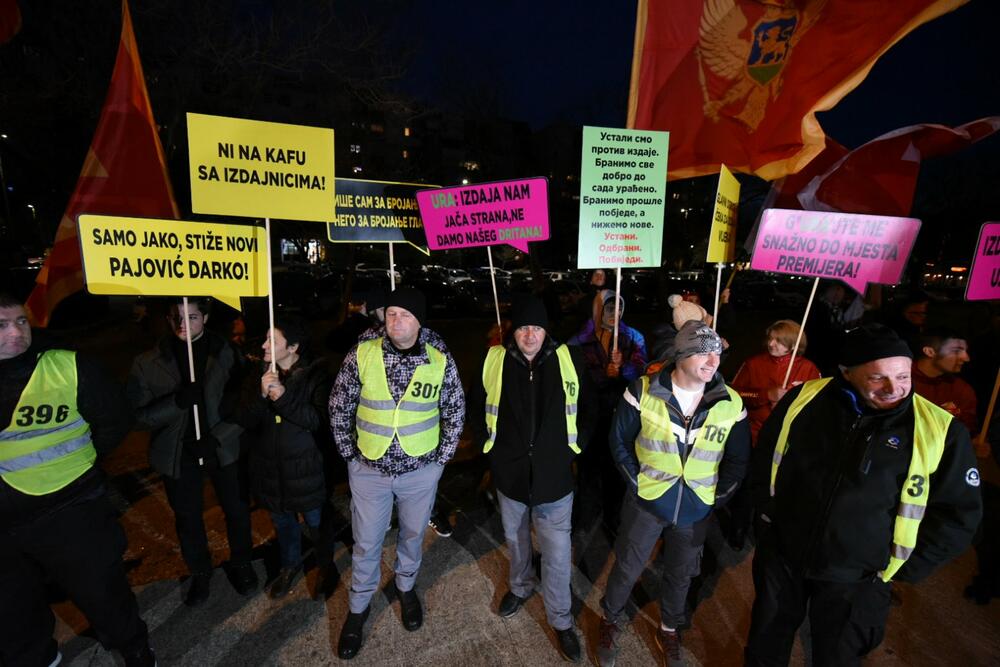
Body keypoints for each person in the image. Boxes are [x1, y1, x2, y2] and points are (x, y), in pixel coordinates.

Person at [745, 324, 983, 666]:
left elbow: (960, 515)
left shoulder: (942, 431)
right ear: (846, 372)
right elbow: (767, 455)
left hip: (860, 580)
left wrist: (901, 568)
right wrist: (767, 518)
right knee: (764, 650)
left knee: (837, 658)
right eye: (878, 378)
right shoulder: (805, 398)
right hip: (784, 559)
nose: (894, 388)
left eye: (903, 376)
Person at [0, 293, 155, 666]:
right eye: (2, 325)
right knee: (12, 609)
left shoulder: (67, 366)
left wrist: (81, 461)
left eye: (21, 321)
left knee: (104, 594)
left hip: (71, 510)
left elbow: (116, 421)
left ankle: (136, 653)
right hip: (4, 528)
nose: (16, 332)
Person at [597, 321, 750, 666]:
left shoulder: (730, 402)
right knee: (627, 566)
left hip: (696, 510)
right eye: (702, 352)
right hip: (647, 503)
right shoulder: (643, 390)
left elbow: (739, 460)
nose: (713, 361)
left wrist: (716, 497)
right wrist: (637, 485)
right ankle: (610, 618)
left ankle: (668, 628)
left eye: (717, 353)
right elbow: (618, 441)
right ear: (680, 355)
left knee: (681, 574)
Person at [329, 288, 465, 660]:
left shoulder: (439, 358)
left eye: (405, 315)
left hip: (419, 472)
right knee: (367, 542)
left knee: (411, 534)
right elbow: (339, 403)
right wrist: (349, 455)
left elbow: (455, 410)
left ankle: (406, 588)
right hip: (369, 470)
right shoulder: (364, 352)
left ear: (419, 321)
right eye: (391, 314)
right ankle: (358, 609)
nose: (396, 322)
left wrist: (440, 461)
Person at [468, 295, 597, 663]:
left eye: (536, 328)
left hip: (554, 478)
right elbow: (477, 406)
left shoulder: (569, 360)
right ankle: (521, 587)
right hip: (510, 476)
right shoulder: (493, 359)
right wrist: (487, 446)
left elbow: (589, 408)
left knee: (556, 553)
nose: (529, 335)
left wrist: (577, 446)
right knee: (517, 540)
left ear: (546, 331)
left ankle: (559, 619)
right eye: (523, 327)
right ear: (513, 331)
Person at [127, 297, 256, 607]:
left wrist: (219, 437)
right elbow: (137, 417)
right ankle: (200, 572)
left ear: (206, 317)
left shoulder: (227, 353)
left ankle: (241, 563)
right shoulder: (148, 361)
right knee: (188, 518)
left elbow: (246, 406)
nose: (183, 324)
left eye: (192, 316)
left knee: (237, 510)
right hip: (177, 453)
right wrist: (176, 403)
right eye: (176, 317)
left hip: (221, 447)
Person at [239, 315, 333, 600]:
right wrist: (260, 395)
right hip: (270, 470)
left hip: (306, 469)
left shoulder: (317, 375)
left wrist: (282, 397)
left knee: (317, 523)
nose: (265, 345)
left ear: (293, 347)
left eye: (273, 340)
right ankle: (289, 565)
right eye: (266, 338)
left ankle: (326, 569)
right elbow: (244, 419)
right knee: (283, 523)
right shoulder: (259, 373)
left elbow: (317, 420)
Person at [727, 320, 820, 550]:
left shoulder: (808, 368)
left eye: (779, 340)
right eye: (770, 338)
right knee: (747, 485)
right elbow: (734, 392)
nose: (772, 344)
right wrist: (766, 394)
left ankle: (767, 530)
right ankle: (738, 528)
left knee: (776, 486)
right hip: (753, 434)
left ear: (793, 343)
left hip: (786, 439)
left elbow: (818, 403)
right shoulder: (753, 363)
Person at [569, 289, 647, 532]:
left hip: (621, 416)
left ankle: (613, 519)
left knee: (617, 469)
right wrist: (605, 374)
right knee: (588, 470)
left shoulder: (633, 337)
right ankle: (584, 517)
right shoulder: (579, 340)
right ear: (598, 309)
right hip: (590, 416)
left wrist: (623, 368)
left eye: (619, 308)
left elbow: (642, 369)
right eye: (610, 308)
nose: (616, 314)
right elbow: (574, 375)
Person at [911, 327, 978, 435]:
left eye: (965, 351)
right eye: (956, 351)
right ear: (929, 351)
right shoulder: (900, 381)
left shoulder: (961, 389)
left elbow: (968, 431)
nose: (966, 358)